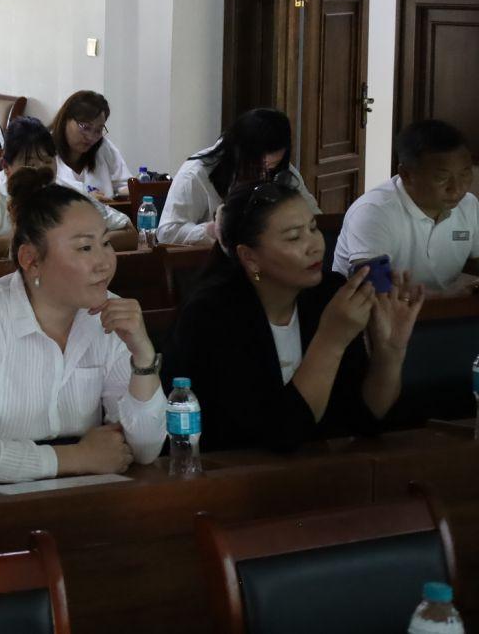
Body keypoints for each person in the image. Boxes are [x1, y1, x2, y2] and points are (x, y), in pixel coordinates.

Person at [0, 171, 166, 484]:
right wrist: (78, 457)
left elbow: (144, 451)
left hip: (63, 487)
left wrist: (143, 356)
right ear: (31, 260)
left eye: (106, 243)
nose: (105, 262)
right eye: (85, 248)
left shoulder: (111, 315)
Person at [164, 180, 423, 453]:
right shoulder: (211, 315)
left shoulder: (327, 294)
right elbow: (277, 438)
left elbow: (363, 419)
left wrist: (389, 352)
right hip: (233, 472)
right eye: (294, 237)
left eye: (313, 228)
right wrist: (331, 340)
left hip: (319, 470)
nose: (315, 246)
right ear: (249, 257)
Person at [333, 119, 479, 297]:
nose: (457, 188)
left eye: (465, 174)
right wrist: (448, 297)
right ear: (406, 175)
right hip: (372, 311)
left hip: (443, 309)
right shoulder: (374, 211)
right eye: (442, 178)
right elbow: (373, 290)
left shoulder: (468, 205)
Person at [0, 117, 136, 259]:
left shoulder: (68, 191)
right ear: (5, 166)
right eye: (30, 164)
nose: (41, 171)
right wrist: (24, 243)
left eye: (47, 161)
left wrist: (78, 243)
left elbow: (129, 233)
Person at [158, 108, 320, 246]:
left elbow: (315, 216)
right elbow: (167, 232)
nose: (263, 173)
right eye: (257, 165)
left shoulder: (282, 170)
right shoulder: (197, 173)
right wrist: (213, 230)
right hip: (212, 262)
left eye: (271, 166)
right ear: (238, 150)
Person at [50, 91, 130, 198]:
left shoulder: (103, 147)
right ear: (65, 119)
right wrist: (86, 197)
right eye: (85, 127)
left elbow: (124, 185)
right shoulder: (44, 149)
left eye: (98, 130)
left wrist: (138, 189)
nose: (91, 137)